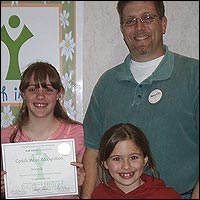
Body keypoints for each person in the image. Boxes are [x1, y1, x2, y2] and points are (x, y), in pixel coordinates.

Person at [82, 1, 199, 199]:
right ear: (122, 29)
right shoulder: (107, 83)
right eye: (130, 21)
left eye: (147, 18)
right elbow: (92, 153)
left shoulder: (193, 75)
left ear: (163, 24)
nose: (139, 27)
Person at [1, 61, 85, 199]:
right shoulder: (6, 137)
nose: (40, 96)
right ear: (23, 94)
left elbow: (89, 191)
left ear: (59, 94)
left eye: (48, 89)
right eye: (32, 89)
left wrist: (82, 184)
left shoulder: (77, 133)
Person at [91, 123, 181, 199]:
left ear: (145, 159)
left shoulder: (166, 196)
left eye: (133, 157)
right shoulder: (99, 195)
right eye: (117, 159)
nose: (126, 166)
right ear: (105, 163)